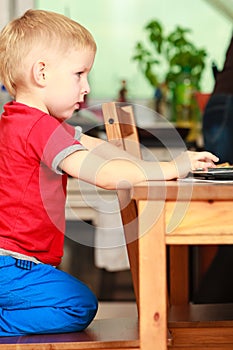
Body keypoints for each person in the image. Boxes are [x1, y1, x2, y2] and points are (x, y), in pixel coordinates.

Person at [0, 9, 218, 337]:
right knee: (77, 304)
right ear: (41, 73)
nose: (86, 87)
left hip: (16, 265)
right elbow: (102, 173)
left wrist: (157, 165)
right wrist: (172, 167)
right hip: (11, 266)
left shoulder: (22, 121)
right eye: (79, 74)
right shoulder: (40, 129)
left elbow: (98, 150)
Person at [194, 34, 233, 304]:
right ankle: (212, 303)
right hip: (229, 105)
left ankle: (211, 302)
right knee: (226, 212)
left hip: (220, 102)